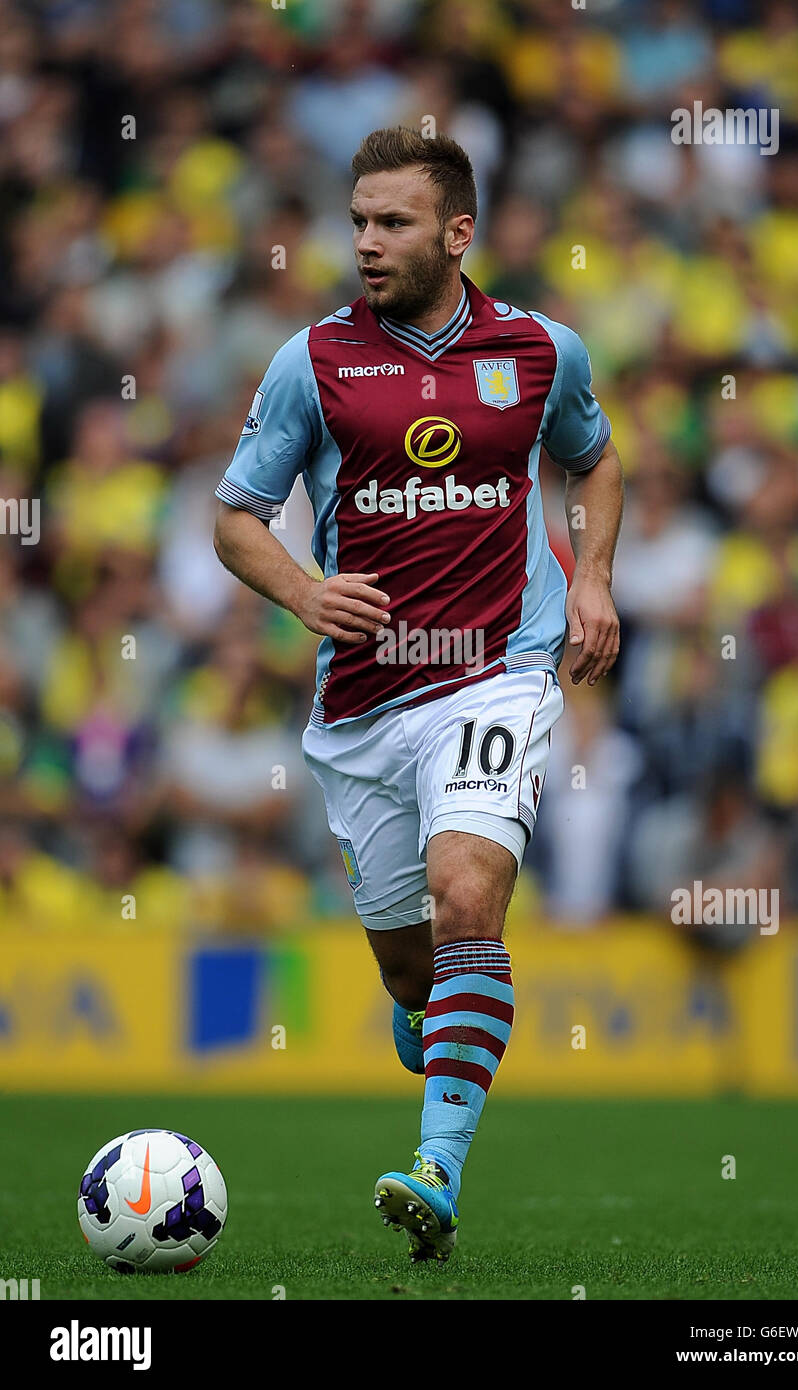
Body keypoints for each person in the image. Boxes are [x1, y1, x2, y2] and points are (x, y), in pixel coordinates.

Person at [212, 127, 624, 1263]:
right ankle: (433, 1018)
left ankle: (436, 1167)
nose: (364, 244)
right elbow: (234, 518)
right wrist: (303, 590)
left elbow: (594, 459)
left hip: (500, 669)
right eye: (356, 222)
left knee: (466, 895)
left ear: (457, 233)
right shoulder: (313, 361)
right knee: (412, 971)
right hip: (361, 711)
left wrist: (591, 576)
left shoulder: (543, 351)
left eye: (391, 223)